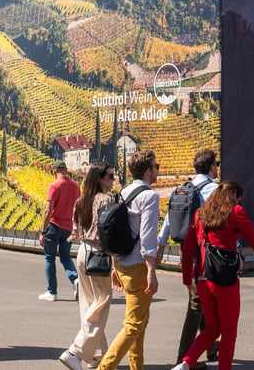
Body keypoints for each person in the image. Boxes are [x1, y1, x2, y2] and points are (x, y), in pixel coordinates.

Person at [172, 181, 254, 370]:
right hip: (224, 280)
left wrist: (186, 279)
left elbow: (188, 248)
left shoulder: (201, 214)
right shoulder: (236, 212)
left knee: (212, 329)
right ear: (234, 195)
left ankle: (184, 364)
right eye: (239, 197)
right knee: (229, 331)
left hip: (202, 279)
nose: (240, 201)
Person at [98, 150, 161, 370]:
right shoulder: (150, 196)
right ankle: (104, 368)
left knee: (140, 322)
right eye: (156, 166)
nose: (157, 170)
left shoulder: (125, 192)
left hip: (122, 263)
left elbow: (119, 229)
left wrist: (116, 263)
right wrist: (151, 271)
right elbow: (147, 237)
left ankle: (137, 367)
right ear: (147, 171)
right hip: (137, 267)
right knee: (134, 325)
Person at [160, 149, 221, 368]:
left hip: (187, 250)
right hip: (207, 253)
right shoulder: (215, 190)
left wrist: (160, 243)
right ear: (212, 166)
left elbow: (169, 218)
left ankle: (211, 345)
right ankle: (184, 356)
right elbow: (224, 219)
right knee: (196, 303)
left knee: (201, 299)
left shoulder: (182, 189)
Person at [60, 162, 118, 370]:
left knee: (89, 305)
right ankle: (75, 352)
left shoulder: (81, 201)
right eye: (110, 176)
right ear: (100, 179)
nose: (113, 180)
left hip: (83, 252)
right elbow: (107, 232)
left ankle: (97, 355)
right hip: (99, 253)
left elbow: (75, 231)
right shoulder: (106, 200)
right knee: (101, 304)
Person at [39, 161, 81, 302]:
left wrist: (43, 232)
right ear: (66, 170)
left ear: (54, 171)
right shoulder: (76, 186)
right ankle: (75, 280)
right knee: (65, 257)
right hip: (68, 227)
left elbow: (48, 210)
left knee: (50, 257)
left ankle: (52, 292)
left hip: (55, 226)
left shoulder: (54, 185)